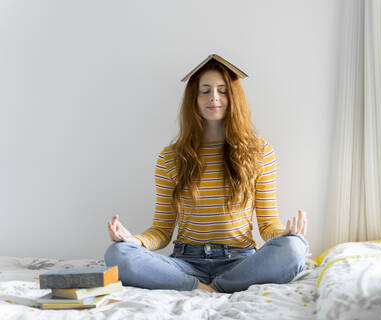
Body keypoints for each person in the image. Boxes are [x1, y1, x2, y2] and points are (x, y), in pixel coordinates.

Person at [104, 54, 309, 293]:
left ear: (234, 98)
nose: (214, 97)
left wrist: (284, 234)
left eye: (222, 91)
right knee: (117, 254)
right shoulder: (170, 158)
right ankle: (201, 287)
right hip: (186, 263)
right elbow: (161, 230)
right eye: (205, 91)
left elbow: (266, 224)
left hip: (240, 262)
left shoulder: (259, 152)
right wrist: (134, 241)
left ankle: (215, 287)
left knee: (294, 248)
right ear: (194, 98)